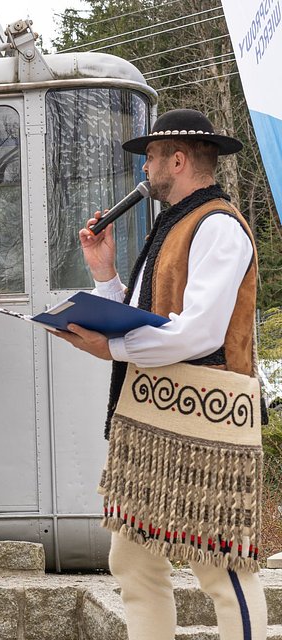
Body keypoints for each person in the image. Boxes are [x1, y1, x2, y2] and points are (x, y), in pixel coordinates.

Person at [54, 109, 266, 639]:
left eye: (150, 156)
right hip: (156, 413)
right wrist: (105, 274)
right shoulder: (175, 223)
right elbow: (145, 313)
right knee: (132, 560)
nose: (144, 167)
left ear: (177, 160)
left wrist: (112, 346)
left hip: (207, 419)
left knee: (221, 564)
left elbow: (200, 332)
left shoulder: (218, 225)